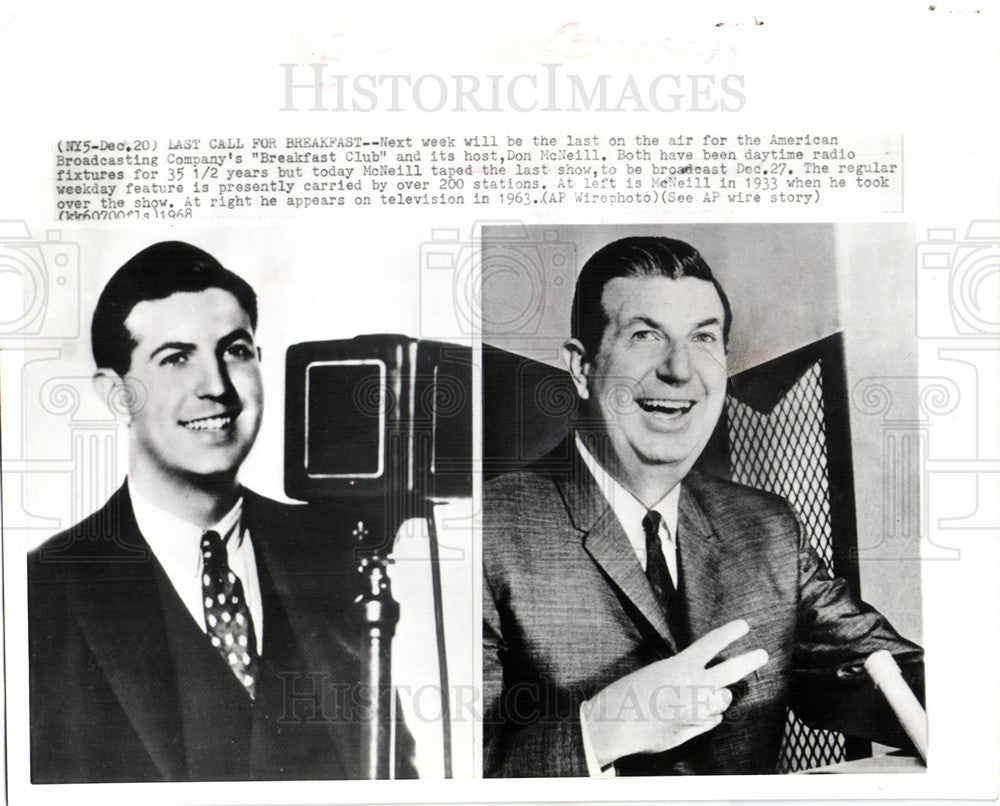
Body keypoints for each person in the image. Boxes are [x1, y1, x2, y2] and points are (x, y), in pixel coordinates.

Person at [482, 236, 924, 777]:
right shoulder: (483, 529)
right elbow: (441, 772)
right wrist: (598, 730)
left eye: (703, 338)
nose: (680, 369)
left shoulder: (766, 527)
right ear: (582, 367)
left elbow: (876, 673)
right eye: (645, 335)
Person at [28, 241, 415, 782]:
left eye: (235, 351)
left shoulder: (337, 553)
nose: (217, 387)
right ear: (116, 395)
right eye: (177, 358)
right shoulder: (39, 590)